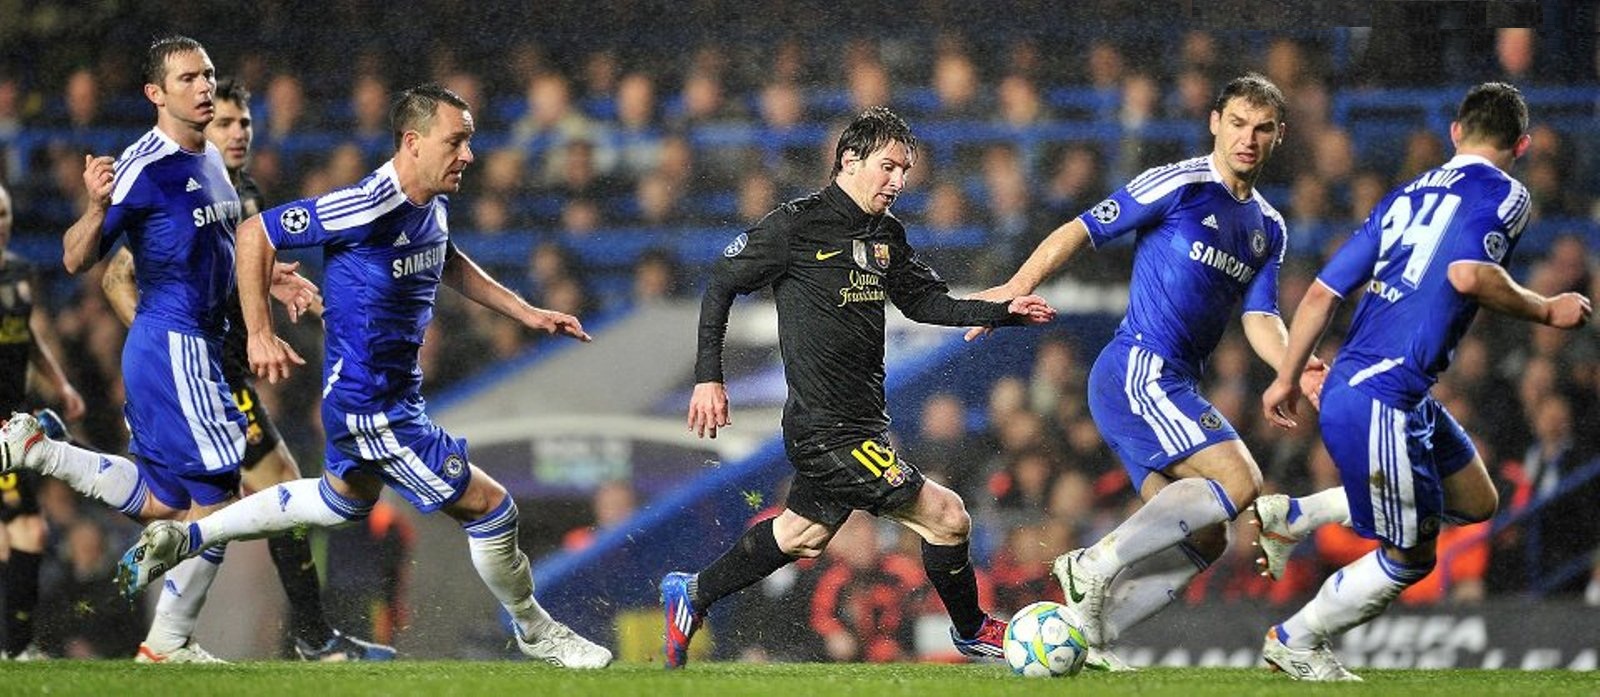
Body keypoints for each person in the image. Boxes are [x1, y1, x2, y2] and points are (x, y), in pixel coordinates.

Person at [115, 83, 612, 669]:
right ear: (413, 141)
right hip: (373, 408)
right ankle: (538, 632)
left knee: (336, 503)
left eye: (470, 142)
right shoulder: (366, 204)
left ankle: (189, 536)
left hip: (383, 401)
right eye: (456, 141)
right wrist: (257, 331)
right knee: (492, 508)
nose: (468, 155)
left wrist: (525, 312)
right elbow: (256, 234)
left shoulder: (433, 199)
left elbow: (445, 255)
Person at [663, 106, 1056, 669]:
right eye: (889, 167)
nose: (898, 182)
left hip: (864, 423)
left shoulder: (885, 235)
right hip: (823, 430)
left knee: (801, 536)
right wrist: (709, 377)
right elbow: (720, 286)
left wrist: (1003, 310)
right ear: (850, 160)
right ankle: (971, 630)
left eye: (905, 172)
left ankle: (693, 593)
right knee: (947, 516)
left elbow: (926, 301)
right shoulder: (795, 225)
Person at [965, 74, 1321, 669]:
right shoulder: (1180, 183)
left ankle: (1095, 636)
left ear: (1279, 136)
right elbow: (1082, 228)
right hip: (1137, 368)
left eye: (1262, 129)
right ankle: (1092, 564)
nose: (1248, 139)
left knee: (1210, 535)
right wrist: (1017, 286)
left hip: (1173, 382)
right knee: (1242, 482)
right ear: (1215, 122)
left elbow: (1261, 318)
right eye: (1237, 123)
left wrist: (1295, 363)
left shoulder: (1268, 228)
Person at [1255, 82, 1591, 681]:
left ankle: (1296, 515)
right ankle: (1295, 639)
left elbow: (1320, 294)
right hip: (1384, 395)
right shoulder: (1508, 192)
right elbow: (1468, 273)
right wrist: (1546, 308)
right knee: (1410, 557)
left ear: (1456, 132)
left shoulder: (1404, 194)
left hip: (1384, 392)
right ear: (1522, 144)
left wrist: (1285, 377)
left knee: (1478, 502)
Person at [0, 35, 295, 664]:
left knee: (164, 500)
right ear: (155, 94)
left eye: (209, 74)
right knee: (219, 500)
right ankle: (167, 642)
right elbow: (76, 258)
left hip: (192, 348)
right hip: (174, 345)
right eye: (188, 78)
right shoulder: (143, 165)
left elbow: (221, 249)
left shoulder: (210, 158)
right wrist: (96, 204)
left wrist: (274, 277)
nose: (204, 86)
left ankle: (42, 452)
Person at [99, 77, 391, 661]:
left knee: (213, 501)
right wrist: (172, 349)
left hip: (225, 376)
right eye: (225, 123)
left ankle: (292, 636)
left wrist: (306, 302)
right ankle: (286, 638)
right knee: (221, 501)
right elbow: (114, 277)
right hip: (195, 376)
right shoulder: (183, 187)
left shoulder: (247, 193)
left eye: (245, 124)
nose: (236, 133)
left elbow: (254, 275)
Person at [0, 181, 86, 660]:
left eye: (5, 213)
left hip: (15, 418)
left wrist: (61, 384)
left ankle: (15, 647)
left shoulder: (18, 272)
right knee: (28, 529)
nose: (2, 223)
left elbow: (26, 337)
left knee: (15, 535)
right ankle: (17, 647)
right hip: (2, 430)